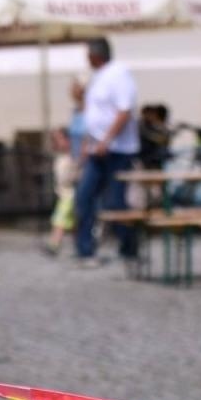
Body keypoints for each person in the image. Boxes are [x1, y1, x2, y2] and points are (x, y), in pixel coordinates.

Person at [73, 37, 137, 268]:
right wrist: (88, 144)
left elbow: (124, 111)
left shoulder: (119, 75)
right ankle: (85, 250)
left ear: (95, 54)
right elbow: (94, 116)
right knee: (84, 197)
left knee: (115, 202)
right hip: (95, 149)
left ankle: (129, 246)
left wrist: (107, 140)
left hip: (116, 150)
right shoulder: (98, 77)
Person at [44, 126, 76, 257]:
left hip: (70, 195)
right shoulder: (60, 156)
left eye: (59, 139)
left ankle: (54, 244)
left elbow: (73, 176)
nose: (56, 142)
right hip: (63, 194)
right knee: (73, 223)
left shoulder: (73, 157)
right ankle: (80, 245)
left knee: (59, 220)